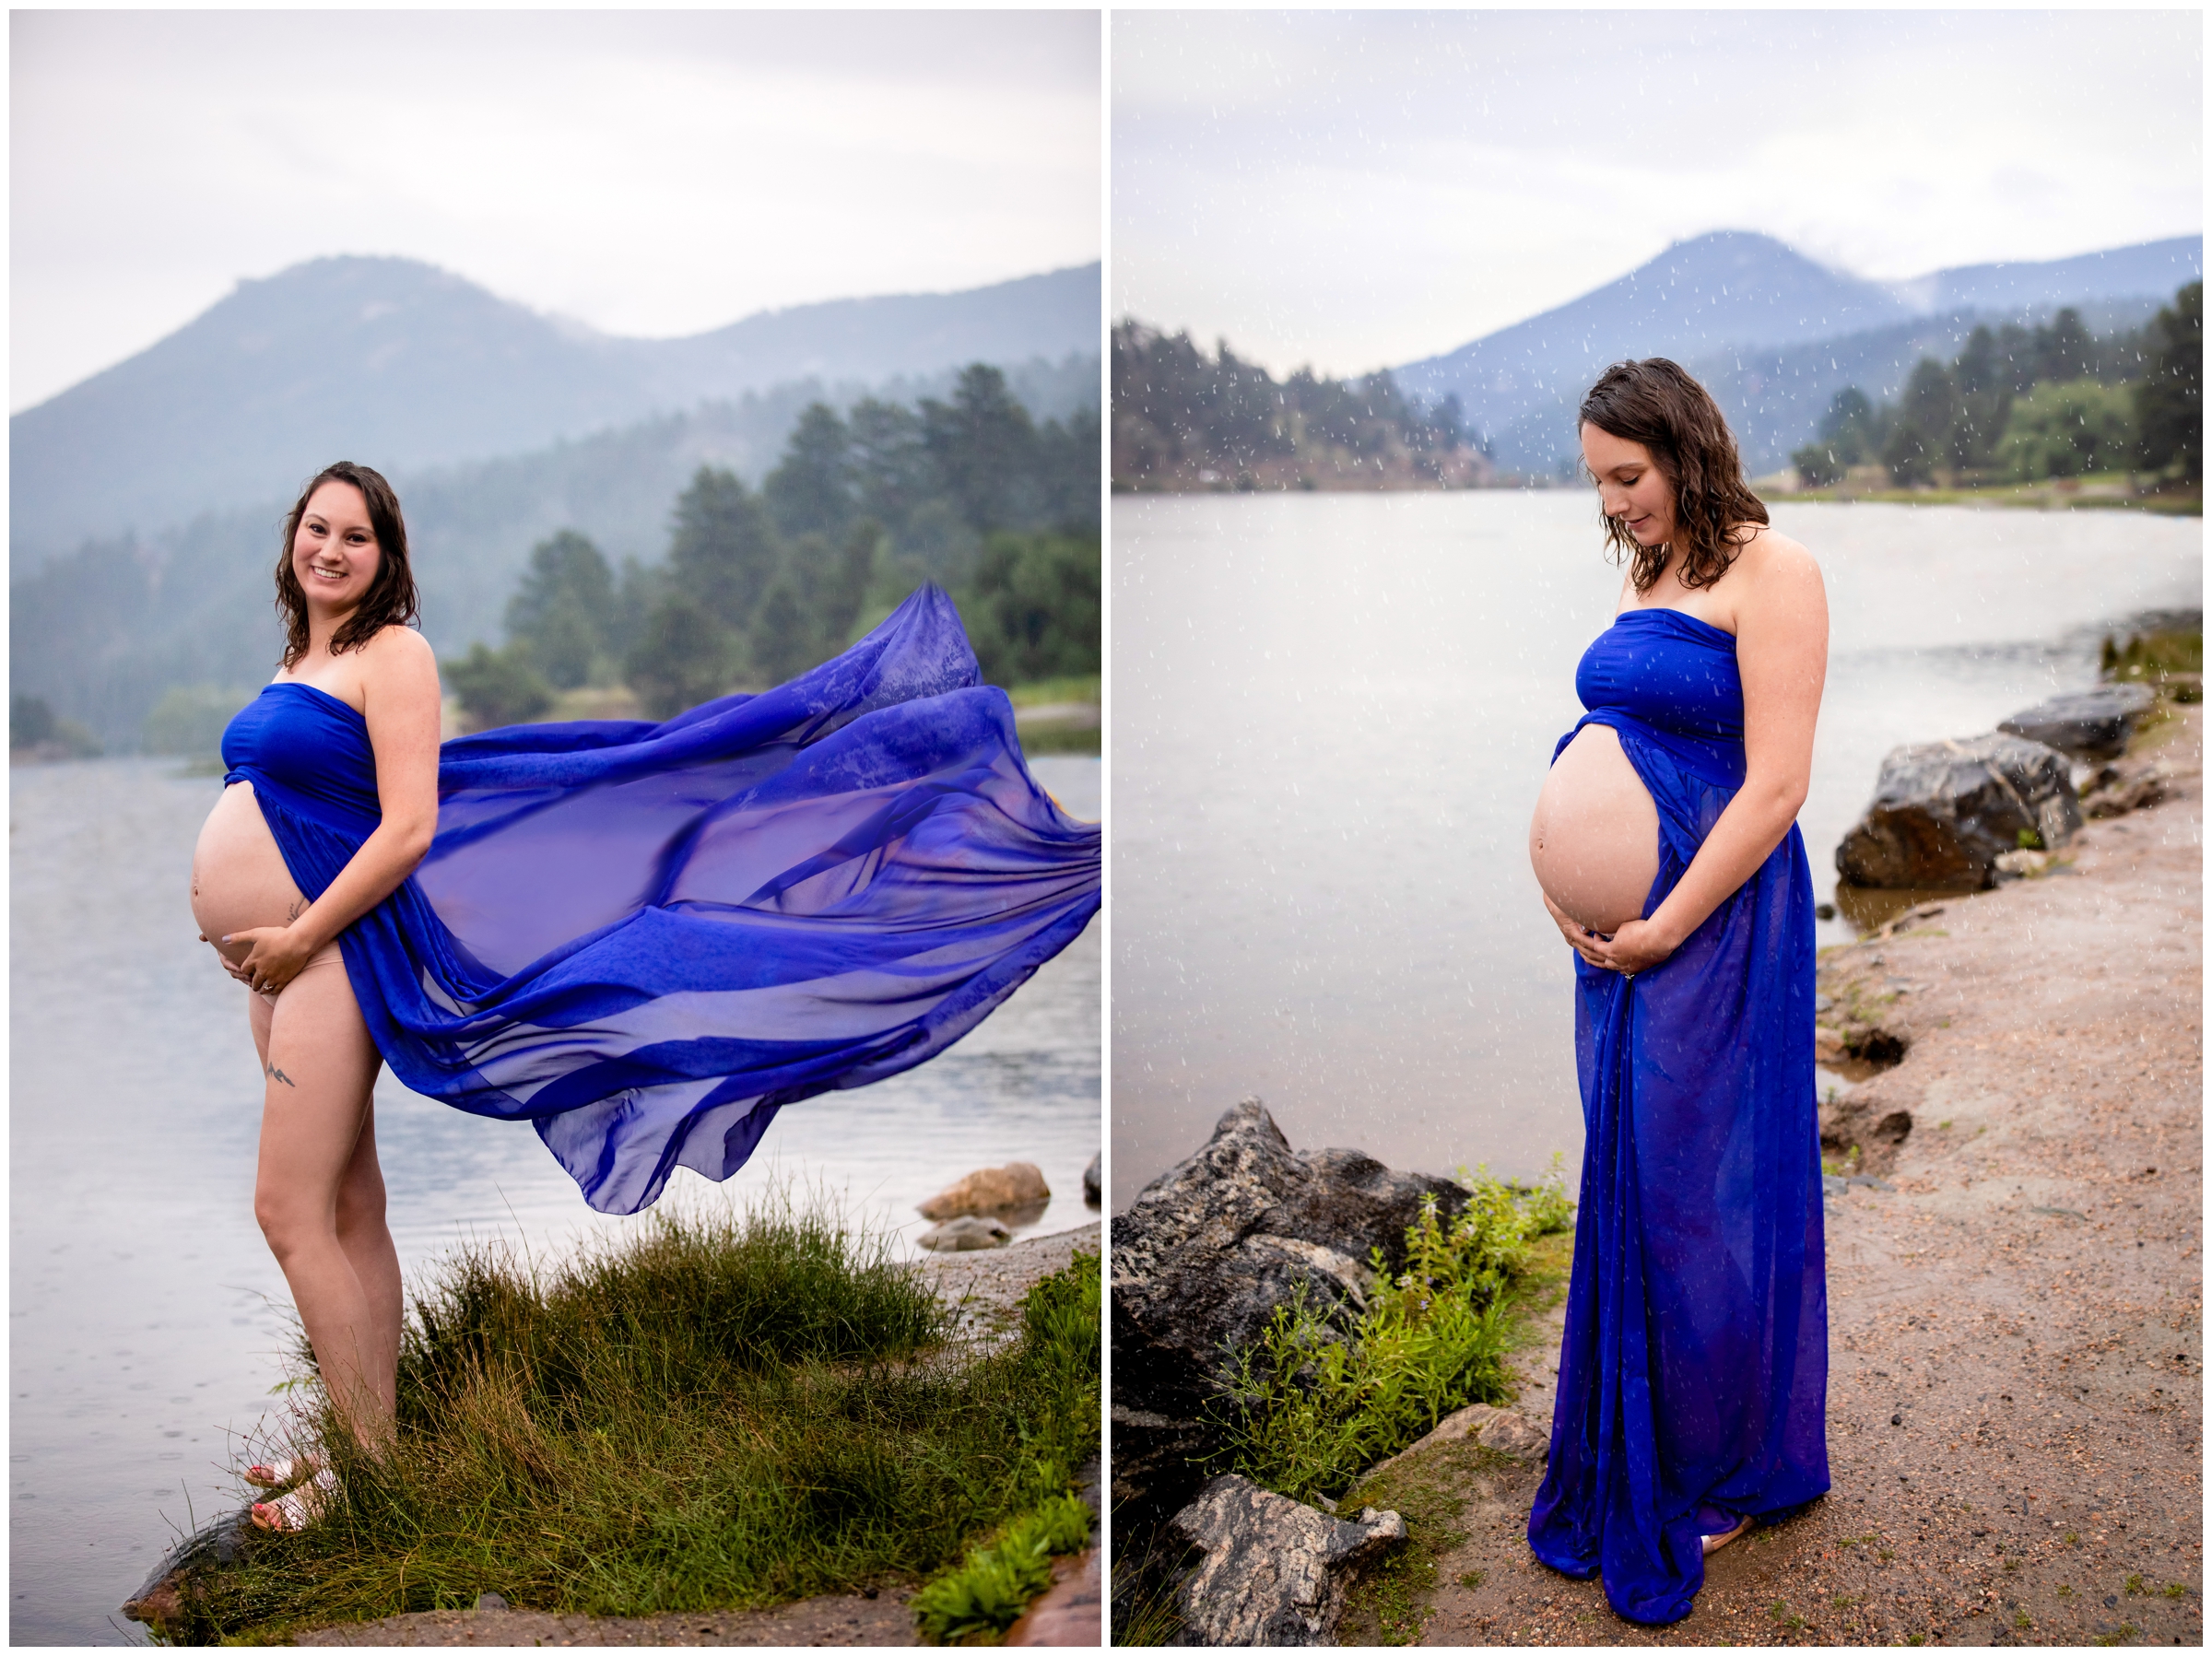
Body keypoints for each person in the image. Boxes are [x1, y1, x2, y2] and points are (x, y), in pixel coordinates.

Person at [190, 462, 1101, 1531]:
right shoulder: (301, 658)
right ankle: (369, 1454)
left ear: (387, 558)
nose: (331, 549)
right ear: (291, 541)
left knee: (286, 1211)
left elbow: (410, 828)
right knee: (350, 1206)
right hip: (285, 960)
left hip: (333, 951)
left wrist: (298, 929)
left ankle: (358, 1477)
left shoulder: (395, 656)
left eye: (357, 535)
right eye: (317, 528)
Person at [1523, 359, 1830, 1625]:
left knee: (1705, 1191)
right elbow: (1603, 737)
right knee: (1635, 1180)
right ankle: (1640, 1438)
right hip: (1623, 947)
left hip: (1715, 924)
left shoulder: (1780, 573)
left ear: (1687, 451)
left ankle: (1724, 1459)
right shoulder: (1648, 573)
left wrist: (1663, 923)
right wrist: (1568, 894)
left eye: (1629, 477)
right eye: (1599, 480)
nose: (1614, 503)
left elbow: (1775, 785)